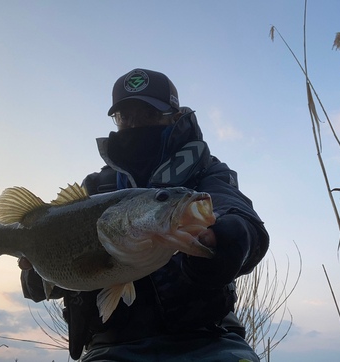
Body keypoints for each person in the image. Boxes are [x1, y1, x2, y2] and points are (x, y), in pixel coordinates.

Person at [19, 68, 269, 362]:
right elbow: (48, 277)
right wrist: (40, 274)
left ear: (174, 117)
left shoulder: (208, 172)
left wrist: (232, 237)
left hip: (208, 340)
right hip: (110, 347)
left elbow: (237, 213)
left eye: (149, 113)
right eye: (125, 116)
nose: (136, 123)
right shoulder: (94, 187)